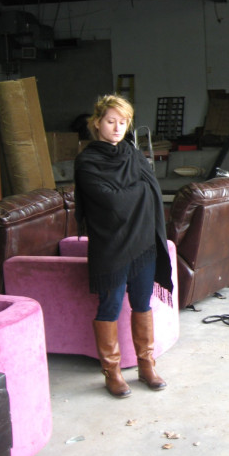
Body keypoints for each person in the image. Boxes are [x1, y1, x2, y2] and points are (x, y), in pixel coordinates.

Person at [74, 95, 173, 398]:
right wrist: (136, 191)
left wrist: (132, 192)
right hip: (110, 246)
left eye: (123, 121)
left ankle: (147, 365)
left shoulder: (132, 154)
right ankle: (112, 372)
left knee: (142, 304)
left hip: (143, 243)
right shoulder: (87, 161)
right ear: (97, 124)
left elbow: (150, 189)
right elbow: (109, 201)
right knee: (110, 306)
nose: (117, 127)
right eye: (110, 121)